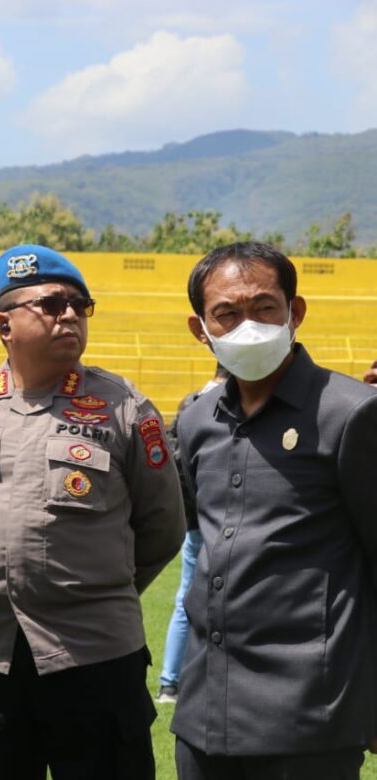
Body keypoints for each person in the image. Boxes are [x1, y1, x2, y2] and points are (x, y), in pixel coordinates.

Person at [0, 244, 185, 779]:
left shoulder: (123, 405)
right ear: (3, 324)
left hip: (92, 652)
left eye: (80, 306)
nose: (70, 315)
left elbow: (162, 525)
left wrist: (95, 587)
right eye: (53, 304)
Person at [172, 242, 377, 779]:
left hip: (310, 717)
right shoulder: (196, 423)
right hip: (203, 715)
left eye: (264, 308)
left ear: (295, 312)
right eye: (227, 314)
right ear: (201, 330)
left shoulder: (352, 414)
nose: (249, 326)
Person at [155, 365, 229, 705]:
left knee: (186, 599)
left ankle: (170, 682)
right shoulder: (231, 403)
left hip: (194, 519)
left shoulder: (190, 402)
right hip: (224, 518)